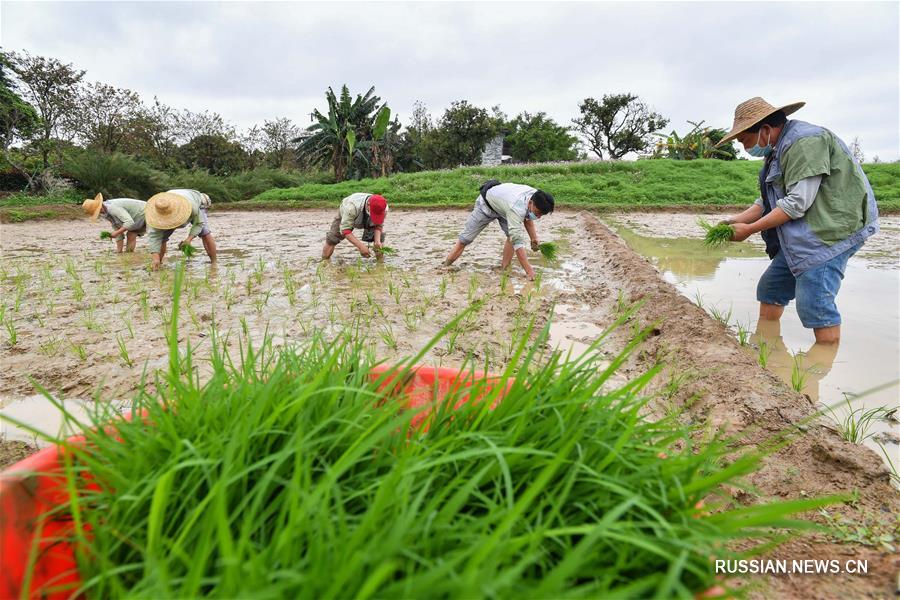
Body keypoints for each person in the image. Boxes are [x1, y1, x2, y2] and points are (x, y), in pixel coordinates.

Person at [717, 97, 879, 343]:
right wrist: (733, 221)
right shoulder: (776, 151)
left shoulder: (805, 143)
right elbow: (768, 202)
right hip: (803, 232)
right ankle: (766, 348)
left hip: (830, 233)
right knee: (771, 289)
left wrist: (749, 230)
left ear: (765, 130)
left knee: (815, 304)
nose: (743, 148)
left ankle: (819, 366)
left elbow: (796, 204)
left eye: (744, 140)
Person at [443, 180, 554, 280]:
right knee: (465, 239)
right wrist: (529, 271)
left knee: (511, 236)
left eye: (541, 215)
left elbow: (527, 218)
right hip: (487, 206)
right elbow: (518, 242)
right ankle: (445, 265)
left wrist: (534, 239)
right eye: (538, 213)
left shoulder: (536, 196)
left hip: (505, 208)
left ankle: (504, 270)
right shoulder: (516, 208)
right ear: (531, 203)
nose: (538, 217)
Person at [145, 189, 218, 270]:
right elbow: (154, 238)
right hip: (171, 200)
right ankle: (158, 265)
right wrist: (155, 258)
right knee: (162, 238)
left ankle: (214, 263)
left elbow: (199, 223)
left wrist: (188, 240)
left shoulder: (191, 205)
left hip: (193, 202)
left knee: (205, 232)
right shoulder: (154, 217)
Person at [322, 193, 388, 259]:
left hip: (366, 216)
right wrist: (360, 246)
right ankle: (324, 262)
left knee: (380, 241)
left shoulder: (383, 207)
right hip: (347, 214)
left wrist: (377, 241)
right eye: (374, 213)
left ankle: (380, 265)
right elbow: (345, 230)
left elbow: (378, 224)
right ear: (368, 204)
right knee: (332, 239)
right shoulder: (351, 207)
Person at [82, 193, 147, 253]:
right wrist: (119, 252)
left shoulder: (112, 208)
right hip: (136, 217)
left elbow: (129, 222)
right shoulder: (105, 213)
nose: (99, 213)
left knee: (153, 235)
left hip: (146, 211)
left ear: (101, 206)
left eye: (98, 211)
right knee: (131, 234)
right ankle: (129, 255)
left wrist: (116, 233)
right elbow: (117, 228)